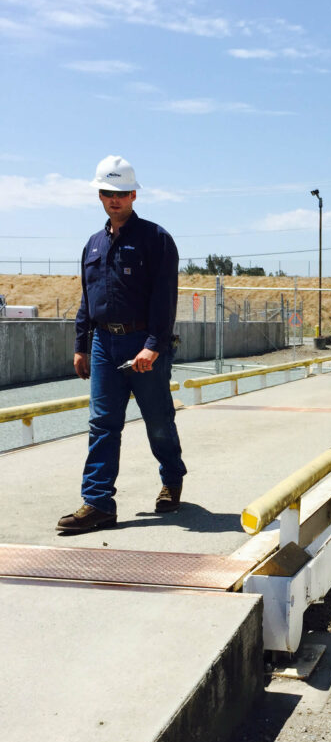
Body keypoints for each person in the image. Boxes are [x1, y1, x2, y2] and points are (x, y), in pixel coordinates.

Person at [57, 155, 187, 533]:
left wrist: (153, 345)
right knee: (102, 423)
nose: (114, 200)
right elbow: (88, 299)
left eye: (122, 193)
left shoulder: (156, 239)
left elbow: (165, 298)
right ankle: (98, 502)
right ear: (99, 195)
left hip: (142, 342)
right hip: (103, 344)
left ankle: (172, 480)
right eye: (107, 193)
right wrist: (81, 345)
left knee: (158, 419)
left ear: (134, 195)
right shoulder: (93, 245)